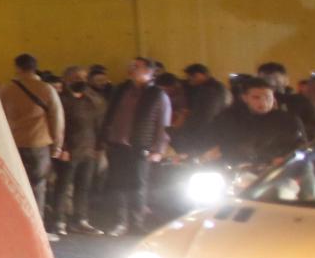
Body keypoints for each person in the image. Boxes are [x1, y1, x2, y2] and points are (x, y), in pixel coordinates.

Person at [101, 57, 171, 236]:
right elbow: (110, 115)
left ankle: (136, 223)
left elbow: (163, 125)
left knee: (137, 186)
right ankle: (119, 222)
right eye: (132, 65)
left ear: (149, 71)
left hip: (140, 147)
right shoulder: (121, 90)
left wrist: (158, 149)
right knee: (117, 185)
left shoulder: (157, 94)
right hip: (117, 145)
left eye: (137, 66)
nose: (132, 68)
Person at [0, 53, 64, 235]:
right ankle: (35, 229)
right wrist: (57, 145)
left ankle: (13, 226)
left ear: (17, 67)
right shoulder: (47, 89)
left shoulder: (6, 89)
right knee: (38, 186)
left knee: (14, 185)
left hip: (13, 144)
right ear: (35, 67)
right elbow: (57, 118)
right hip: (39, 144)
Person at [203, 76, 305, 170]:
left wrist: (284, 159)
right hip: (237, 170)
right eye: (256, 97)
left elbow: (300, 146)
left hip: (277, 171)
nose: (263, 102)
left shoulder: (287, 120)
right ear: (245, 98)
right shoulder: (229, 118)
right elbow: (217, 141)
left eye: (268, 97)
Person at [53, 64, 105, 235]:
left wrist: (99, 147)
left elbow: (100, 124)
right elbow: (58, 126)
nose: (81, 81)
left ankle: (80, 220)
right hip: (69, 151)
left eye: (83, 78)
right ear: (67, 80)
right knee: (63, 186)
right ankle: (58, 221)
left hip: (89, 150)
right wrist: (63, 147)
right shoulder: (61, 100)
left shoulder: (93, 99)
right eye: (76, 78)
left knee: (84, 186)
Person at [175, 64, 231, 155]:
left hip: (205, 134)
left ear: (201, 75)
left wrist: (187, 130)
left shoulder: (208, 91)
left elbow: (203, 116)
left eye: (192, 77)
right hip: (218, 132)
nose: (190, 80)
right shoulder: (220, 87)